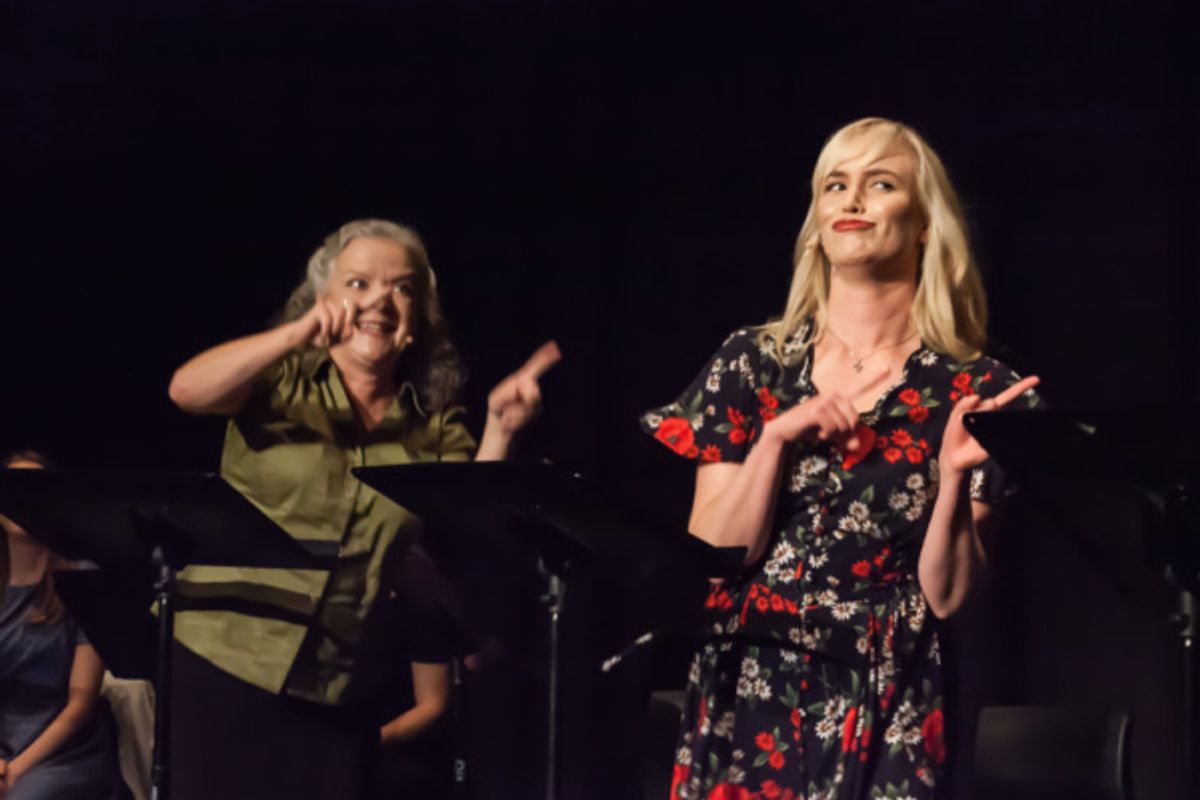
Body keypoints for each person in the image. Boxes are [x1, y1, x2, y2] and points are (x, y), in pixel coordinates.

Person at [641, 117, 1041, 799]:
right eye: (835, 185)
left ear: (923, 225)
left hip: (889, 692)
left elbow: (952, 599)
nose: (851, 202)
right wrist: (773, 441)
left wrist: (951, 481)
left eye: (879, 184)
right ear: (818, 218)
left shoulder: (981, 390)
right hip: (751, 681)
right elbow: (711, 550)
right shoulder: (753, 362)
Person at [166, 218, 559, 798]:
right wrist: (291, 336)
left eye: (402, 288)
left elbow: (470, 518)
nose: (380, 299)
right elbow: (186, 391)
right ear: (323, 299)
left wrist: (501, 429)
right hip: (227, 659)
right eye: (357, 284)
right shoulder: (278, 383)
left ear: (416, 320)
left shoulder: (430, 425)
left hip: (341, 682)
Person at [0, 451, 122, 800]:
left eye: (36, 490)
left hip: (63, 754)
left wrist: (15, 773)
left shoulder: (82, 578)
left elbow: (80, 704)